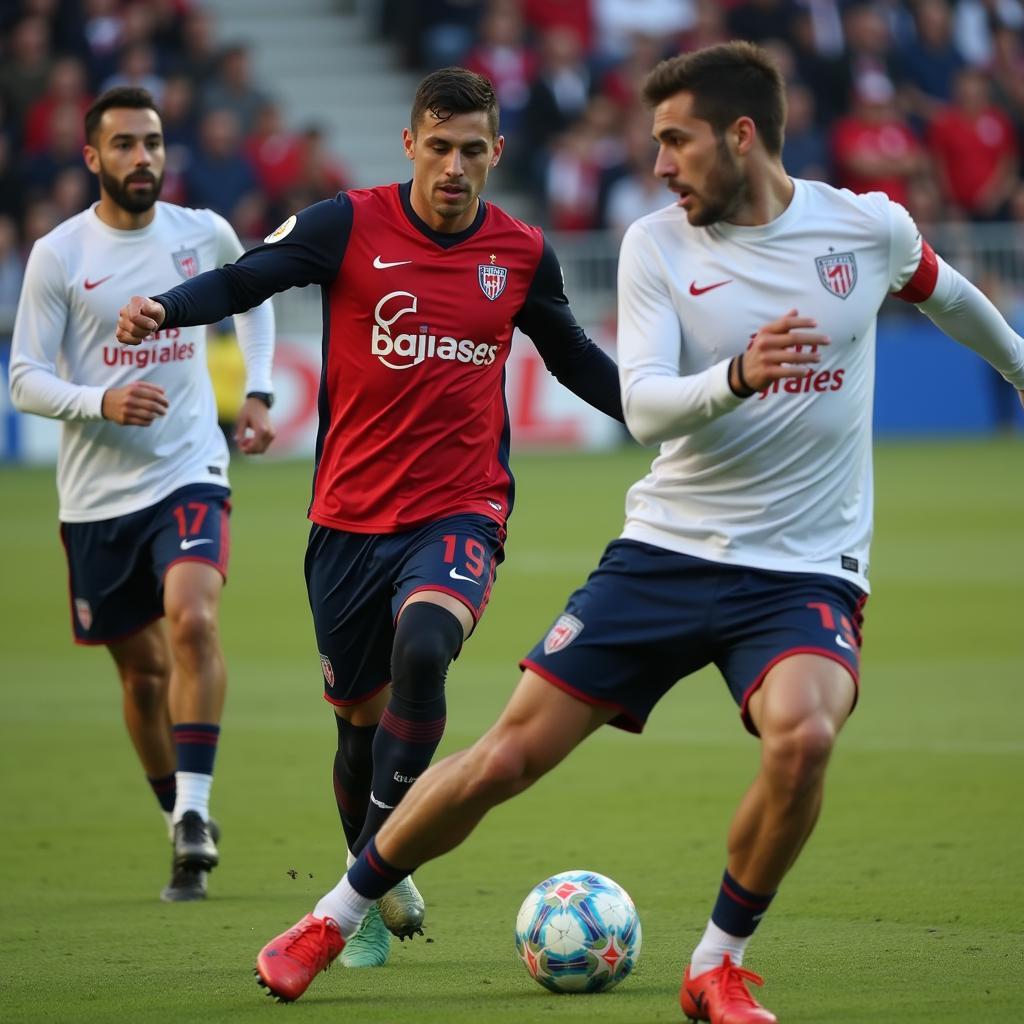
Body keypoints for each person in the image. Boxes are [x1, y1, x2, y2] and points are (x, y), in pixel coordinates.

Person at [248, 42, 1024, 1018]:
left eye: (674, 141)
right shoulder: (656, 241)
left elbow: (950, 297)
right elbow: (647, 406)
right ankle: (331, 914)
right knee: (505, 759)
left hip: (801, 572)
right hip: (664, 552)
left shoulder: (864, 230)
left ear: (740, 136)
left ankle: (716, 964)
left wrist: (1022, 372)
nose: (657, 164)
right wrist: (737, 375)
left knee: (805, 736)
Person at [115, 68, 624, 967]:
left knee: (424, 647)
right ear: (410, 146)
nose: (456, 167)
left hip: (461, 509)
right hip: (347, 520)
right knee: (356, 724)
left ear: (497, 152)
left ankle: (358, 887)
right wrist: (168, 307)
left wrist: (679, 413)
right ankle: (371, 862)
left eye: (474, 150)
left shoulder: (521, 252)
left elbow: (576, 356)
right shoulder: (345, 224)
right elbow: (247, 280)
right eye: (439, 147)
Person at [9, 86, 276, 903]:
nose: (142, 158)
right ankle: (178, 821)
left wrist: (257, 392)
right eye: (124, 144)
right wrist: (99, 401)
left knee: (194, 617)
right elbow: (24, 377)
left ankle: (196, 810)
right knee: (142, 677)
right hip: (95, 499)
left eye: (153, 143)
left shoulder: (204, 235)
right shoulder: (59, 254)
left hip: (188, 468)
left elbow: (253, 300)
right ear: (92, 157)